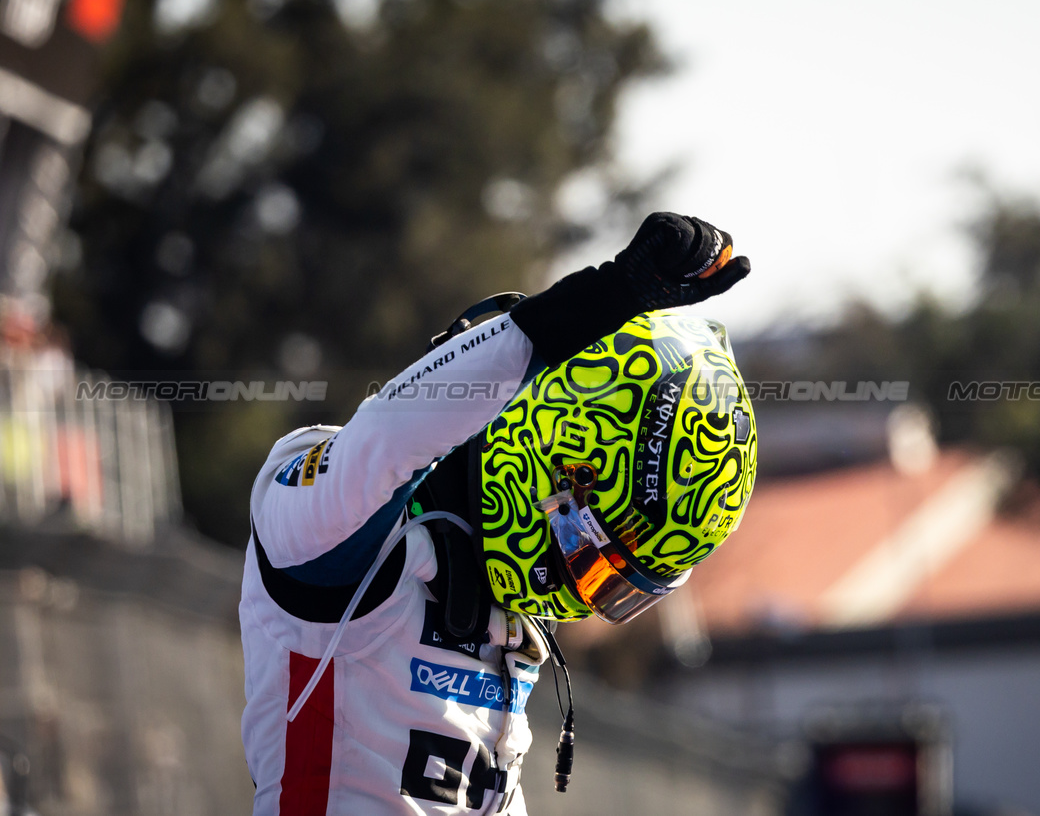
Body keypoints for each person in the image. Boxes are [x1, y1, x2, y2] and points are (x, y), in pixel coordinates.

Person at [239, 213, 758, 815]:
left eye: (616, 587)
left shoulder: (510, 596)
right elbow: (390, 434)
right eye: (591, 555)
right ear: (549, 449)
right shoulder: (331, 523)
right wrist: (599, 301)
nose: (585, 593)